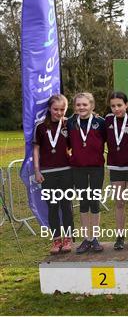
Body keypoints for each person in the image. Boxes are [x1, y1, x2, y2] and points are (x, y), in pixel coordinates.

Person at [33, 94, 74, 254]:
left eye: (62, 109)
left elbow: (73, 145)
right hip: (48, 173)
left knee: (66, 206)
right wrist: (37, 170)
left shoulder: (68, 125)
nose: (59, 112)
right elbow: (36, 149)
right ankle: (56, 240)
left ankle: (69, 239)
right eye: (56, 109)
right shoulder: (41, 126)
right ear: (49, 109)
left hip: (66, 171)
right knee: (52, 207)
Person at [67, 92, 106, 254]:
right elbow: (66, 143)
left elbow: (107, 140)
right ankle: (86, 238)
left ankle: (95, 238)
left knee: (94, 201)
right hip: (78, 168)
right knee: (83, 202)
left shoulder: (100, 122)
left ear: (92, 106)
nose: (81, 107)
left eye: (85, 104)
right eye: (78, 105)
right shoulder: (69, 123)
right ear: (74, 107)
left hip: (97, 167)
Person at [105, 92, 128, 250]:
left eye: (119, 105)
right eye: (113, 106)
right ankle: (120, 236)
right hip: (115, 167)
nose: (116, 109)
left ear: (126, 105)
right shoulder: (107, 120)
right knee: (119, 203)